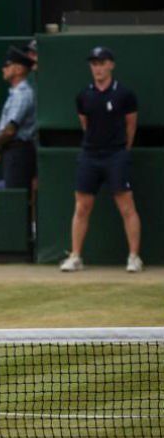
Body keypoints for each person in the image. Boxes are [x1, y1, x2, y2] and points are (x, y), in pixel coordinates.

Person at [60, 47, 142, 273]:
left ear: (111, 65)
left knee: (126, 206)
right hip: (90, 154)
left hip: (116, 154)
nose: (97, 68)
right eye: (94, 63)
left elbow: (131, 125)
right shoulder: (83, 96)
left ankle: (134, 257)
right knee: (82, 206)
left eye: (102, 63)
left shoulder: (124, 94)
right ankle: (76, 256)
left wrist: (123, 150)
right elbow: (85, 124)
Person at [0, 47, 36, 191]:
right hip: (13, 152)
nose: (3, 69)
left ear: (19, 69)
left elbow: (10, 130)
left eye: (7, 65)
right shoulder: (16, 93)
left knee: (16, 199)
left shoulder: (22, 94)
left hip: (19, 153)